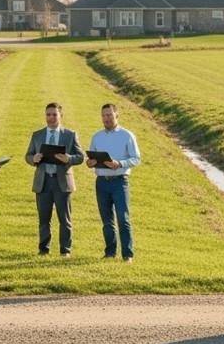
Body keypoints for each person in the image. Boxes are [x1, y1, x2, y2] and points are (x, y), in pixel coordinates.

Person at [24, 102, 84, 256]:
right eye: (48, 115)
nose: (51, 118)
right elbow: (28, 156)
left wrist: (68, 158)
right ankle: (44, 249)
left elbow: (80, 157)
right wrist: (34, 159)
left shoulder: (70, 135)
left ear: (60, 115)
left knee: (65, 219)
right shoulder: (37, 135)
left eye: (54, 115)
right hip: (43, 181)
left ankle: (65, 250)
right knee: (44, 219)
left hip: (62, 181)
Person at [86, 103, 142, 262]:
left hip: (119, 182)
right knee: (107, 220)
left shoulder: (127, 135)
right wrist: (89, 163)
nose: (106, 119)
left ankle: (127, 255)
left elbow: (136, 159)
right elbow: (90, 160)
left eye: (109, 115)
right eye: (103, 116)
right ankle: (110, 253)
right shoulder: (97, 137)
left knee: (123, 219)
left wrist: (120, 164)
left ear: (117, 115)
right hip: (102, 182)